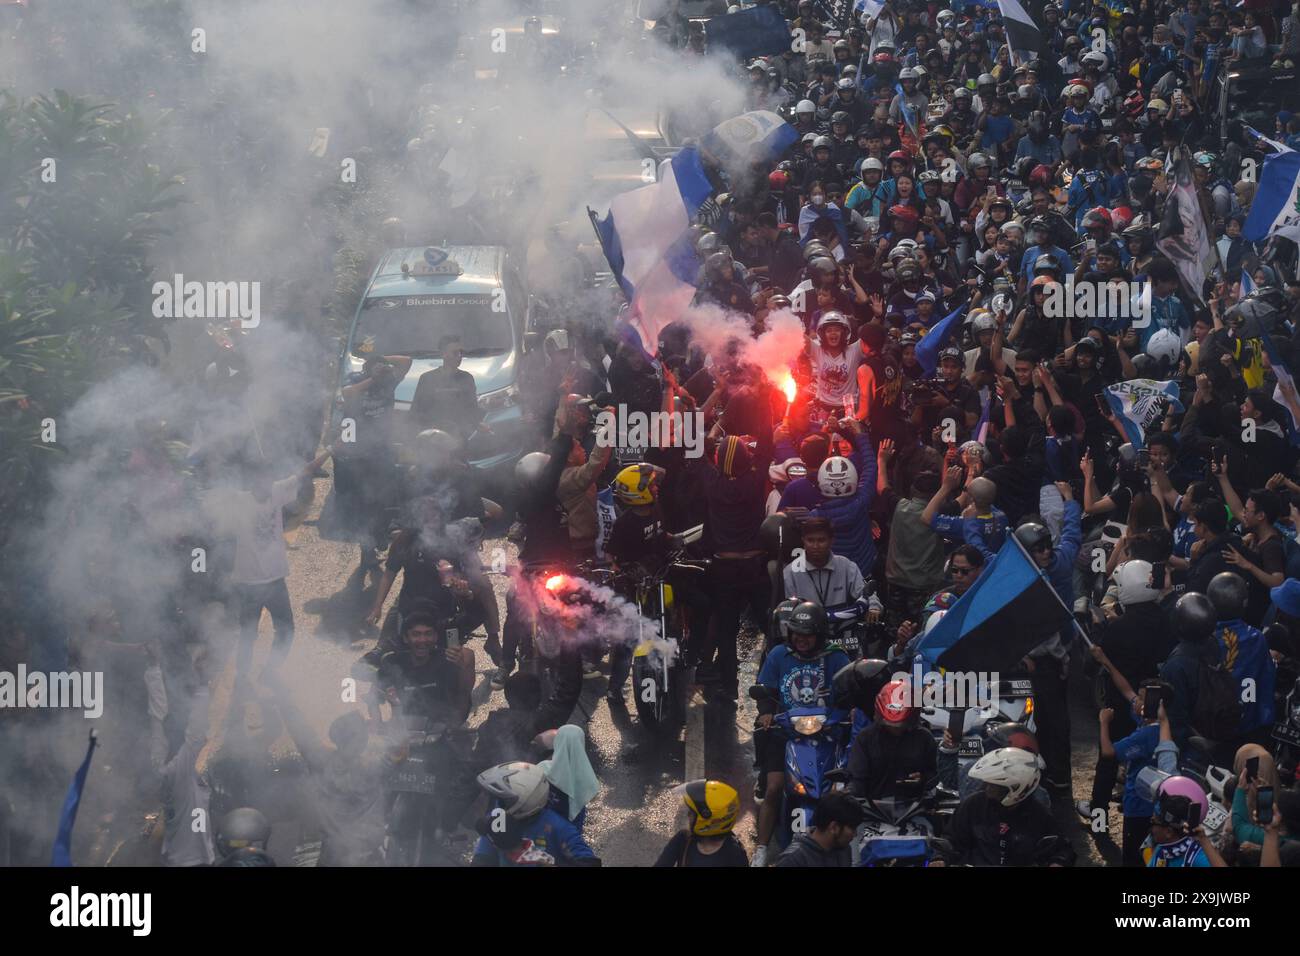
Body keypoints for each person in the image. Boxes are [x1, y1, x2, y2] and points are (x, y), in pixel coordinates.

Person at [201, 447, 334, 681]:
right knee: (248, 634)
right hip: (249, 584)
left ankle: (270, 671)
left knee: (286, 629)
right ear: (250, 481)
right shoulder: (238, 501)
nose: (263, 482)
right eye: (257, 478)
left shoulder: (277, 491)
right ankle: (243, 676)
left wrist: (330, 450)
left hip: (275, 581)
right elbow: (212, 494)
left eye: (266, 476)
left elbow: (306, 472)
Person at [751, 600, 852, 867]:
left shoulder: (837, 656)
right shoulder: (778, 655)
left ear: (820, 634)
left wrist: (849, 712)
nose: (801, 639)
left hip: (826, 735)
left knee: (835, 791)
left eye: (807, 634)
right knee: (774, 788)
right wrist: (766, 712)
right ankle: (761, 848)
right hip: (785, 732)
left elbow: (848, 691)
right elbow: (766, 689)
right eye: (796, 633)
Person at [947, 748, 1074, 867]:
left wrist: (1058, 862)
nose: (987, 788)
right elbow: (951, 839)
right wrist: (940, 858)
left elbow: (1062, 848)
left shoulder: (1038, 814)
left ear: (1015, 788)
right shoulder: (973, 805)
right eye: (987, 783)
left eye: (994, 785)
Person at [471, 762, 599, 866]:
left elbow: (588, 861)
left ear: (524, 801)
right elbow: (482, 856)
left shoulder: (557, 827)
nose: (499, 806)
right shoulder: (498, 824)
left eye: (503, 801)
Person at [847, 679, 938, 800]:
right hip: (872, 809)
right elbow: (857, 779)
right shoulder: (865, 739)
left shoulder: (924, 738)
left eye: (901, 725)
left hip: (914, 807)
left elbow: (936, 774)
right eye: (889, 725)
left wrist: (922, 779)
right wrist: (847, 795)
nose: (895, 729)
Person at [655, 780, 749, 867]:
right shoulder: (683, 839)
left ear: (708, 820)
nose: (688, 815)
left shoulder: (735, 854)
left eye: (692, 813)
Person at [1141, 776, 1228, 867]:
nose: (1151, 828)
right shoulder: (1162, 851)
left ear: (1168, 832)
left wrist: (1204, 840)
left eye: (1153, 822)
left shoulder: (1197, 858)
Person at [409, 334, 483, 440]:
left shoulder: (467, 378)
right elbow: (416, 412)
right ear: (443, 354)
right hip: (432, 438)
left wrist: (478, 424)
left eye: (461, 352)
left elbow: (472, 410)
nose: (459, 356)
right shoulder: (427, 378)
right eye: (455, 353)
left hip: (460, 438)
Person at [772, 791, 864, 867]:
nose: (855, 834)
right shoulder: (794, 860)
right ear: (834, 827)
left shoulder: (844, 850)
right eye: (852, 828)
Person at [539, 724, 600, 834]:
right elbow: (592, 795)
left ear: (557, 742)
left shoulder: (543, 768)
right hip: (572, 827)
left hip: (547, 824)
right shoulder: (586, 775)